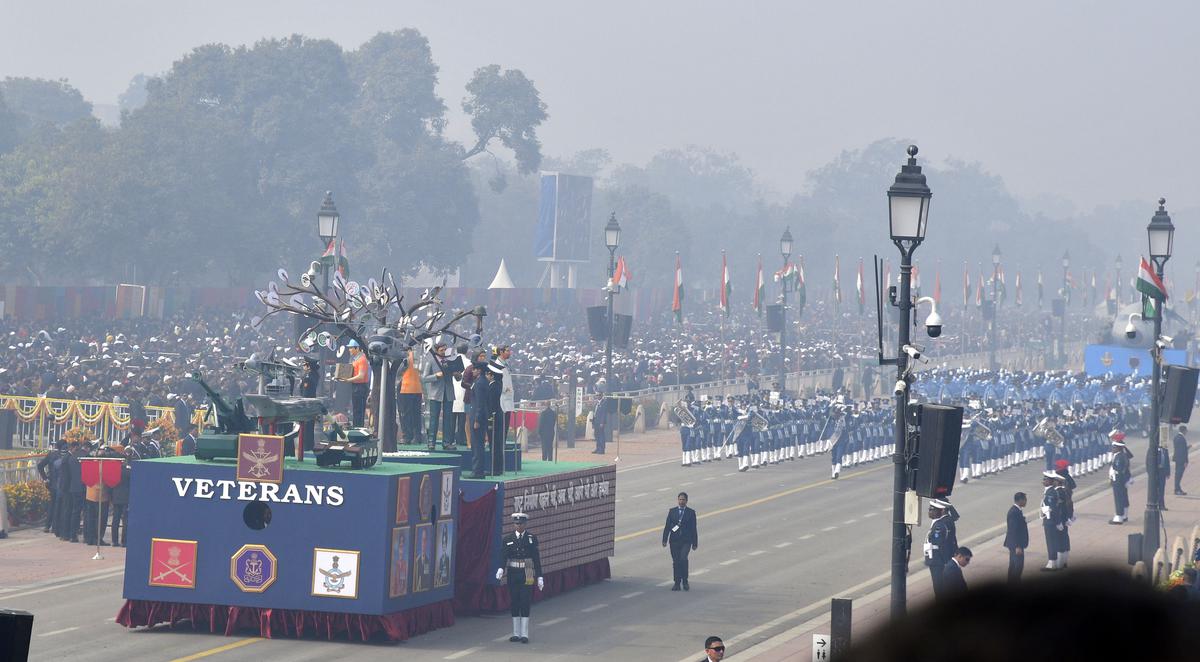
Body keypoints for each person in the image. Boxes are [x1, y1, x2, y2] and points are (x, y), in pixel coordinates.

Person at [496, 512, 543, 644]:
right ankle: (516, 633)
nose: (519, 526)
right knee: (515, 600)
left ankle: (525, 634)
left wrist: (539, 576)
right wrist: (501, 568)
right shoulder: (508, 539)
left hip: (527, 569)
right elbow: (503, 556)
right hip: (513, 571)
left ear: (525, 524)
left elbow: (536, 559)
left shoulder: (531, 538)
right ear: (514, 524)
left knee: (525, 600)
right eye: (516, 524)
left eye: (521, 524)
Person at [421, 342, 457, 451]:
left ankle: (446, 442)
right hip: (436, 393)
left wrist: (457, 374)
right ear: (437, 351)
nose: (444, 352)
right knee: (434, 419)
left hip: (448, 392)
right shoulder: (431, 361)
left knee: (448, 419)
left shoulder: (450, 361)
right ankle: (431, 442)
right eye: (441, 350)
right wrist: (436, 375)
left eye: (445, 350)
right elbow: (424, 378)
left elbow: (458, 378)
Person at [662, 492, 699, 591]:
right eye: (680, 499)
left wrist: (695, 543)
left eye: (683, 500)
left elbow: (693, 528)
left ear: (686, 501)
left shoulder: (691, 513)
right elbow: (667, 526)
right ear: (677, 500)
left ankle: (685, 581)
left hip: (686, 541)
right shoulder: (672, 511)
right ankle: (677, 583)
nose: (681, 501)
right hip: (674, 540)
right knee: (676, 561)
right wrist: (664, 539)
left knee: (683, 559)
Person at [924, 498, 957, 599]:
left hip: (938, 562)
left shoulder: (940, 525)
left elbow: (940, 544)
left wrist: (944, 562)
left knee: (940, 590)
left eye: (932, 509)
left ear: (942, 511)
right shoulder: (947, 520)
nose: (929, 512)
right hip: (944, 560)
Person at [1040, 471, 1068, 571]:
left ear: (1050, 481)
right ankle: (1053, 562)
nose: (1043, 481)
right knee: (1051, 541)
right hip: (1050, 520)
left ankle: (1052, 563)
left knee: (1051, 542)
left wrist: (1057, 522)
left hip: (1050, 521)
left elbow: (1053, 509)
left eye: (1045, 479)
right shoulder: (1049, 491)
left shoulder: (1051, 492)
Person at [341, 340, 370, 427]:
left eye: (351, 348)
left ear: (357, 348)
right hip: (356, 386)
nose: (349, 350)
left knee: (359, 410)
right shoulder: (356, 359)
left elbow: (361, 376)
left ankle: (358, 428)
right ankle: (356, 426)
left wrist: (348, 380)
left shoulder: (362, 360)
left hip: (360, 387)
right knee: (356, 409)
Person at [398, 348, 424, 444]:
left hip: (405, 387)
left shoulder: (403, 356)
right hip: (418, 388)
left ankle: (407, 436)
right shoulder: (419, 355)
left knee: (405, 414)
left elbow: (398, 372)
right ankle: (417, 436)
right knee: (417, 414)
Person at [1003, 492, 1028, 585]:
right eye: (1025, 500)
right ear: (1020, 500)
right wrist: (1018, 546)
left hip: (1015, 543)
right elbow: (1013, 530)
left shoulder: (1017, 510)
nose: (1026, 502)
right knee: (1017, 566)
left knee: (1014, 565)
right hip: (1016, 544)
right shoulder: (1014, 512)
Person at [1109, 430, 1133, 524]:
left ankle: (1119, 516)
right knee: (1123, 497)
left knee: (1119, 498)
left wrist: (1114, 477)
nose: (1112, 448)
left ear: (1117, 448)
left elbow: (1119, 471)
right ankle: (1124, 515)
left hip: (1118, 480)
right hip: (1122, 480)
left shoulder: (1119, 457)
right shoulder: (1121, 455)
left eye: (1114, 447)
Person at [1173, 424, 1189, 496]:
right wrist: (1185, 461)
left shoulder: (1176, 437)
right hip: (1181, 460)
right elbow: (1182, 451)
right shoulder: (1182, 438)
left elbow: (1179, 449)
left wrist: (1187, 447)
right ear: (1184, 430)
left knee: (1177, 474)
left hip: (1177, 459)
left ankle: (1178, 488)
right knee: (1179, 475)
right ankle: (1177, 489)